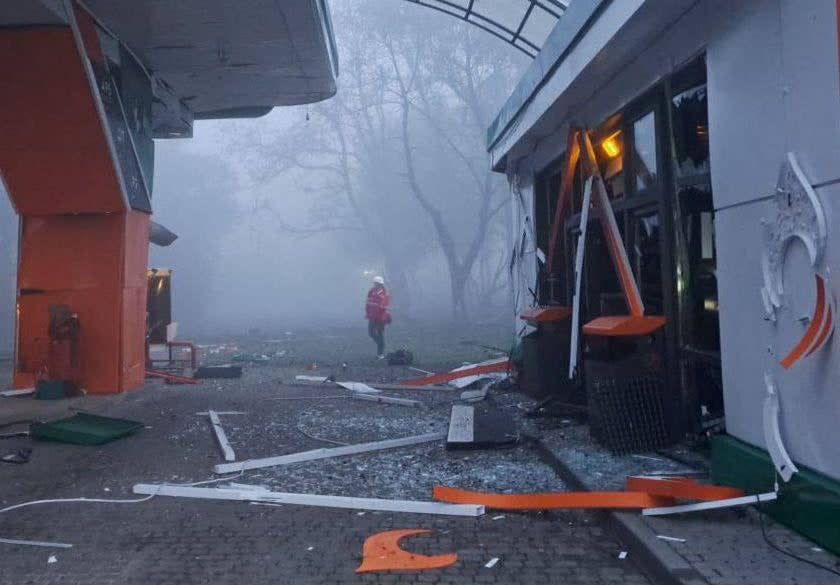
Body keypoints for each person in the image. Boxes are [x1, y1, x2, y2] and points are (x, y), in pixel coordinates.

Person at [365, 276, 391, 359]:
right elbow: (368, 302)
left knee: (380, 334)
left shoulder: (385, 294)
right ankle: (380, 344)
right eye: (374, 283)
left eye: (377, 283)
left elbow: (383, 306)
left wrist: (375, 306)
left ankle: (380, 354)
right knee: (371, 333)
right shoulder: (371, 291)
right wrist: (368, 311)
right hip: (372, 316)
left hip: (381, 317)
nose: (375, 285)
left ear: (380, 284)